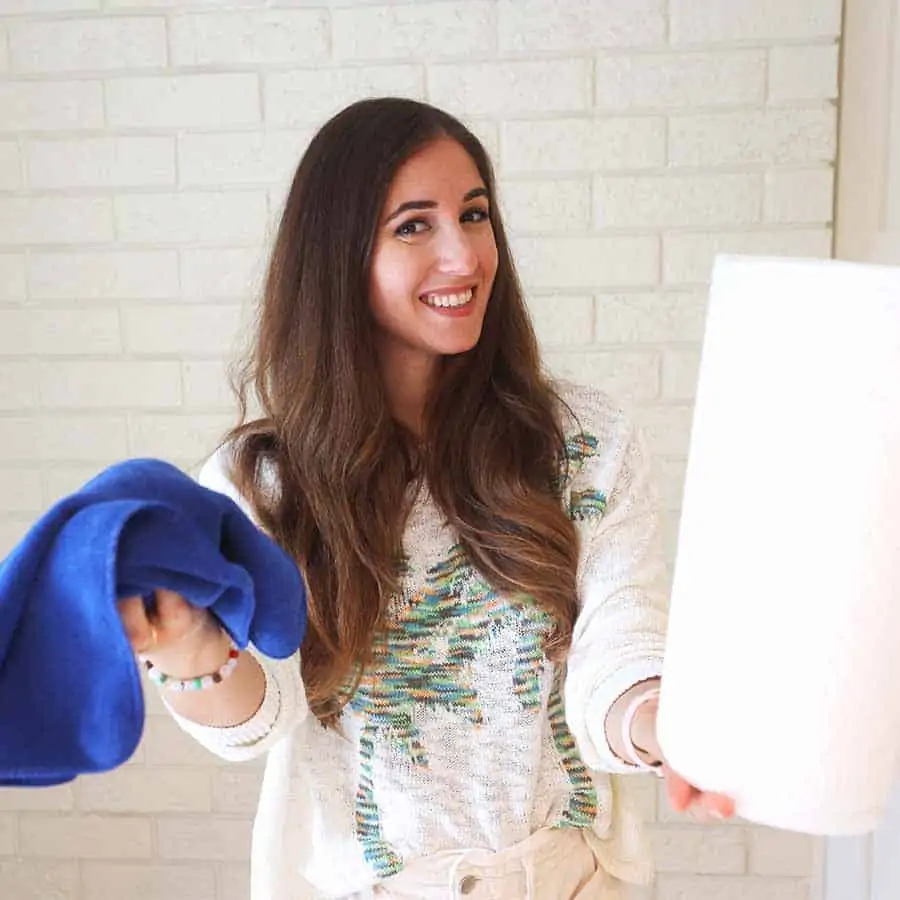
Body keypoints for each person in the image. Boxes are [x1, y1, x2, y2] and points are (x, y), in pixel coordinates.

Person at [118, 97, 733, 900]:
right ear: (337, 255)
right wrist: (184, 645)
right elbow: (261, 717)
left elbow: (622, 636)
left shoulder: (583, 439)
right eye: (414, 226)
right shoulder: (261, 481)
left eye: (473, 216)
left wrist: (666, 727)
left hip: (576, 880)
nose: (464, 256)